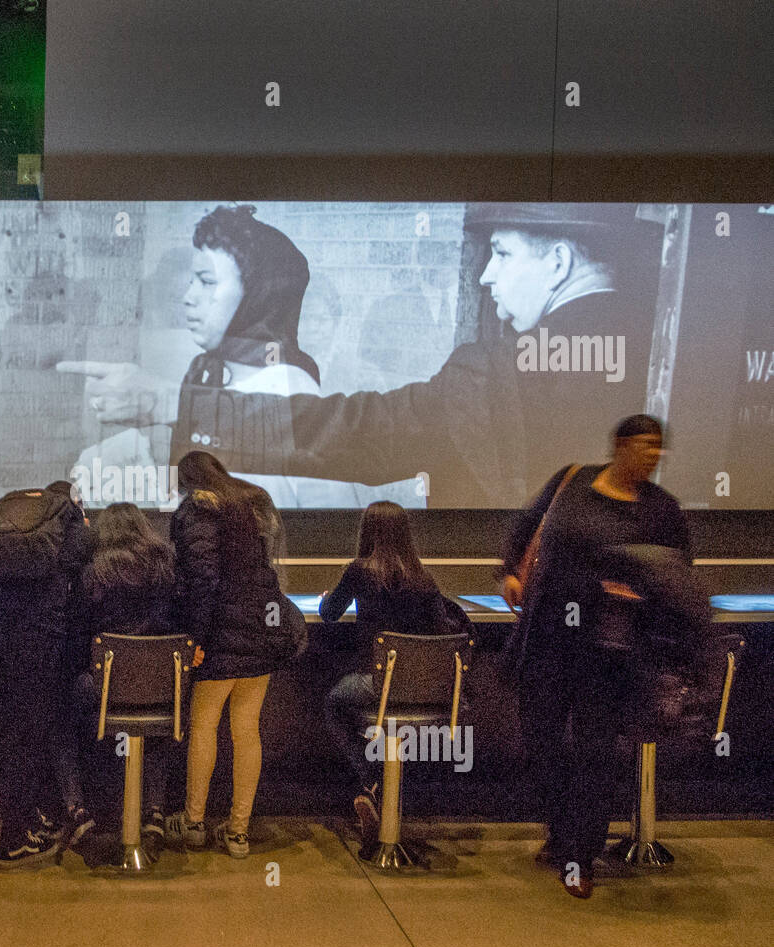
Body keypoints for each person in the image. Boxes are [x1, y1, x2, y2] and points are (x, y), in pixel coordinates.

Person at [68, 203, 661, 508]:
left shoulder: (494, 371)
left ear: (558, 262)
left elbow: (358, 434)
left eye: (502, 253)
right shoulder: (652, 351)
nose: (485, 275)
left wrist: (166, 402)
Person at [61, 204, 422, 507]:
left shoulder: (284, 385)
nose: (188, 297)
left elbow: (329, 514)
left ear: (255, 295)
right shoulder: (208, 372)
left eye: (206, 281)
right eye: (192, 281)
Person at [500, 415, 691, 899]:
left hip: (612, 653)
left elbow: (680, 577)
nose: (652, 456)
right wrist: (510, 572)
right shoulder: (573, 481)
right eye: (645, 446)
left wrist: (639, 591)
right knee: (540, 738)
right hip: (548, 639)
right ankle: (564, 832)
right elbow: (525, 526)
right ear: (621, 446)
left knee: (596, 754)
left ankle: (580, 857)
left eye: (659, 448)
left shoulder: (662, 511)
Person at [166, 451, 305, 858]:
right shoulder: (249, 504)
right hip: (261, 630)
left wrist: (198, 638)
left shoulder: (198, 510)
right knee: (247, 730)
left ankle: (193, 822)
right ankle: (238, 832)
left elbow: (203, 582)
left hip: (222, 637)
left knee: (204, 726)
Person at [318, 501, 458, 846]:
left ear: (367, 532)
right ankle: (379, 788)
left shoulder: (359, 571)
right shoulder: (425, 579)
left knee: (334, 702)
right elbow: (444, 632)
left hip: (377, 687)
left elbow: (329, 615)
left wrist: (325, 598)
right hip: (427, 693)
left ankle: (371, 778)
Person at [0, 480, 92, 869]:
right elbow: (80, 560)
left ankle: (27, 818)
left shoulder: (14, 516)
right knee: (28, 736)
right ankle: (13, 842)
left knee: (10, 733)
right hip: (37, 635)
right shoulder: (68, 518)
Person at [64, 502, 178, 860]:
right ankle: (155, 812)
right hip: (160, 692)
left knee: (57, 712)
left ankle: (78, 812)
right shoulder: (166, 570)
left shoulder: (90, 575)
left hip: (102, 693)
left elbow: (76, 639)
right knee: (153, 721)